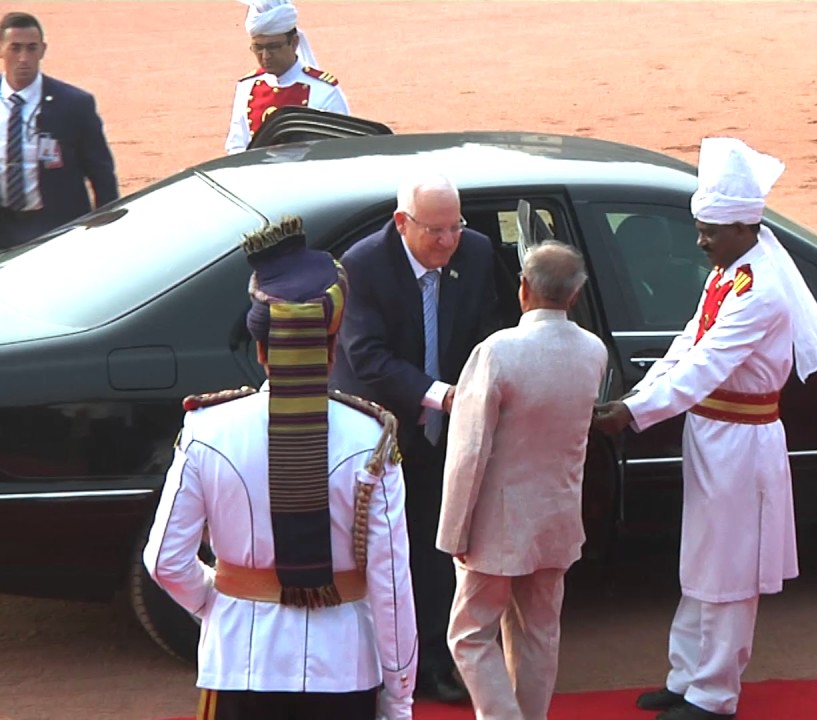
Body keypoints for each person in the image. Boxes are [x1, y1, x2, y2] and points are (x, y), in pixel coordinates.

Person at [593, 137, 817, 720]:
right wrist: (637, 394)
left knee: (729, 570)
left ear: (742, 228)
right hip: (708, 436)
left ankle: (715, 693)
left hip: (740, 444)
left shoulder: (761, 291)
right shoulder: (729, 273)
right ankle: (686, 677)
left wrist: (632, 414)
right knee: (700, 561)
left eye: (709, 231)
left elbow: (707, 365)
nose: (699, 242)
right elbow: (688, 343)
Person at [142, 216, 418, 720]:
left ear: (263, 350)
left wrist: (221, 602)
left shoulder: (208, 430)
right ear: (332, 352)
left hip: (238, 667)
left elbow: (164, 561)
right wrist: (399, 695)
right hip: (346, 672)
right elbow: (392, 583)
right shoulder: (372, 438)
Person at [331, 171, 501, 706]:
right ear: (402, 224)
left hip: (448, 438)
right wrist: (442, 395)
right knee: (385, 557)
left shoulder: (474, 254)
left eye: (455, 227)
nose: (449, 241)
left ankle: (436, 661)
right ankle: (381, 663)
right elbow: (368, 358)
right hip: (382, 436)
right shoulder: (363, 265)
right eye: (436, 231)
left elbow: (492, 332)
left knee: (437, 551)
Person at [437, 240, 608, 720]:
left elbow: (469, 450)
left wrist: (454, 530)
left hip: (497, 521)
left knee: (469, 635)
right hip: (557, 516)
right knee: (538, 633)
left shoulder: (497, 352)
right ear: (574, 296)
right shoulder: (593, 351)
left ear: (523, 289)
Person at [0, 11, 117, 249]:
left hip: (57, 227)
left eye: (31, 48)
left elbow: (102, 174)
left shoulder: (73, 104)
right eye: (15, 48)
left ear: (43, 50)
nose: (23, 58)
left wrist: (107, 229)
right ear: (1, 49)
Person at [224, 0, 350, 154]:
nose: (265, 56)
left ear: (294, 42)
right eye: (258, 47)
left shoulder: (324, 91)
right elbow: (237, 145)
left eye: (273, 47)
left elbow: (338, 150)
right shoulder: (246, 87)